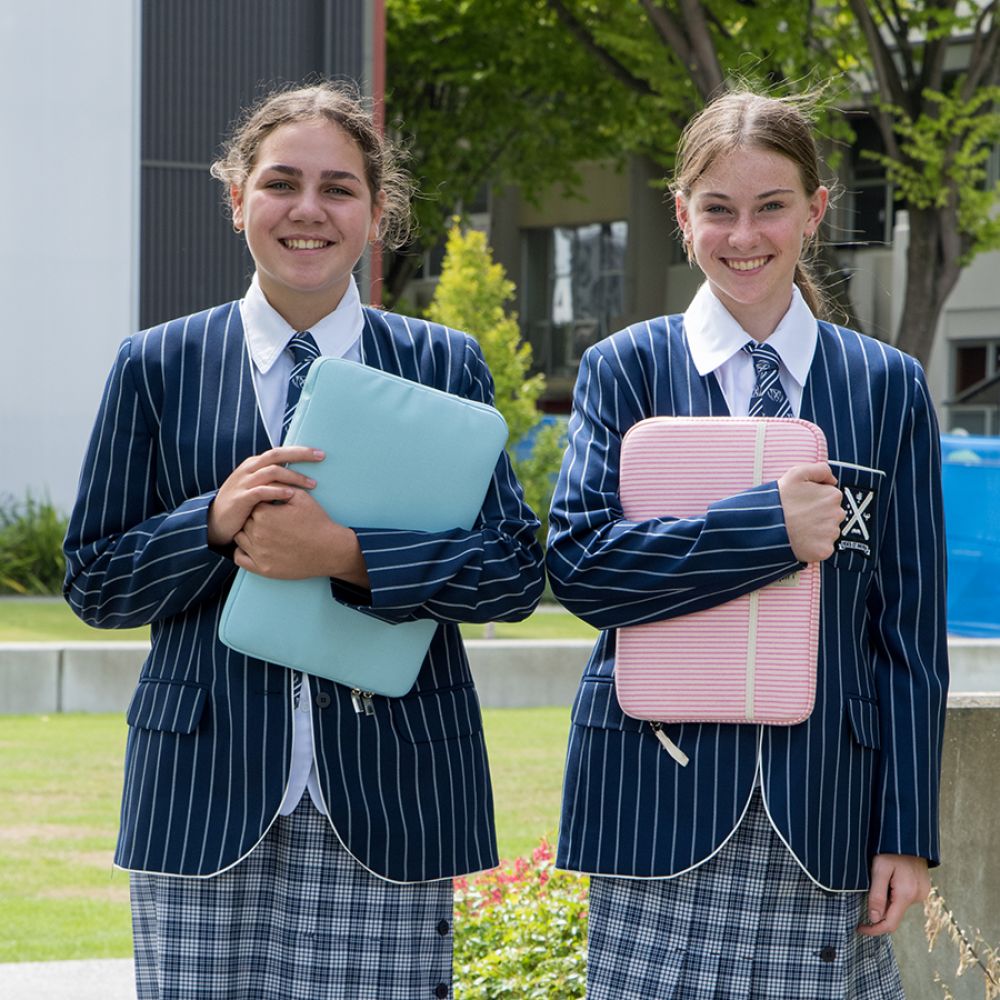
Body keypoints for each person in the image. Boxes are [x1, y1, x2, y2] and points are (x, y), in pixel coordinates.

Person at [63, 81, 545, 1000]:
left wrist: (347, 554)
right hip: (200, 792)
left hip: (394, 789)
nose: (308, 210)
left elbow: (514, 574)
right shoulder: (156, 364)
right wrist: (209, 521)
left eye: (339, 188)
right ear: (237, 196)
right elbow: (94, 581)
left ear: (376, 213)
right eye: (282, 182)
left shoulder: (445, 365)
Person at [546, 90, 948, 999]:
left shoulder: (886, 387)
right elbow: (580, 568)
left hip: (826, 810)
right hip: (657, 794)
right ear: (683, 218)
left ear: (815, 210)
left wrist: (907, 831)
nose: (744, 234)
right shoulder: (627, 368)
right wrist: (768, 529)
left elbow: (909, 634)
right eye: (718, 209)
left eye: (770, 206)